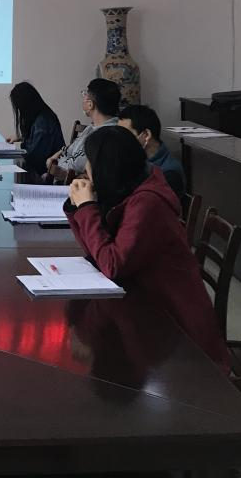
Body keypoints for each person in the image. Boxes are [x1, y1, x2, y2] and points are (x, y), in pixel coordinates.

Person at [65, 126, 230, 371]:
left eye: (90, 163)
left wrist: (87, 208)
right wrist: (77, 208)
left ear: (106, 167)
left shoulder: (147, 203)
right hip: (147, 318)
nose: (87, 169)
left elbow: (112, 265)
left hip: (180, 338)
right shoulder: (129, 190)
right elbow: (97, 254)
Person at [48, 78, 121, 181]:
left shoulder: (105, 135)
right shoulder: (92, 127)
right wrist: (60, 156)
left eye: (85, 94)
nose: (83, 98)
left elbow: (72, 167)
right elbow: (69, 150)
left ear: (90, 104)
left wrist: (55, 162)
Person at [118, 104, 185, 200]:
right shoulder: (136, 160)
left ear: (146, 135)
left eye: (125, 135)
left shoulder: (169, 173)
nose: (120, 141)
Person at [8, 81, 64, 175]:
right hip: (41, 170)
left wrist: (13, 154)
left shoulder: (43, 123)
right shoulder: (41, 116)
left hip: (43, 174)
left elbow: (35, 159)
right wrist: (22, 137)